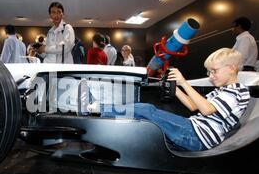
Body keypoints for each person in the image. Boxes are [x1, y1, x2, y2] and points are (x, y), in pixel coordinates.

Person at [99, 48, 250, 151]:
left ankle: (98, 109)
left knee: (146, 110)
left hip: (197, 136)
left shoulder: (237, 91)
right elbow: (193, 106)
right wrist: (175, 87)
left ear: (231, 68)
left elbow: (206, 109)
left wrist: (184, 82)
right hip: (193, 129)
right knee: (144, 113)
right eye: (209, 72)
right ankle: (101, 112)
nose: (210, 77)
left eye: (214, 71)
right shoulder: (223, 90)